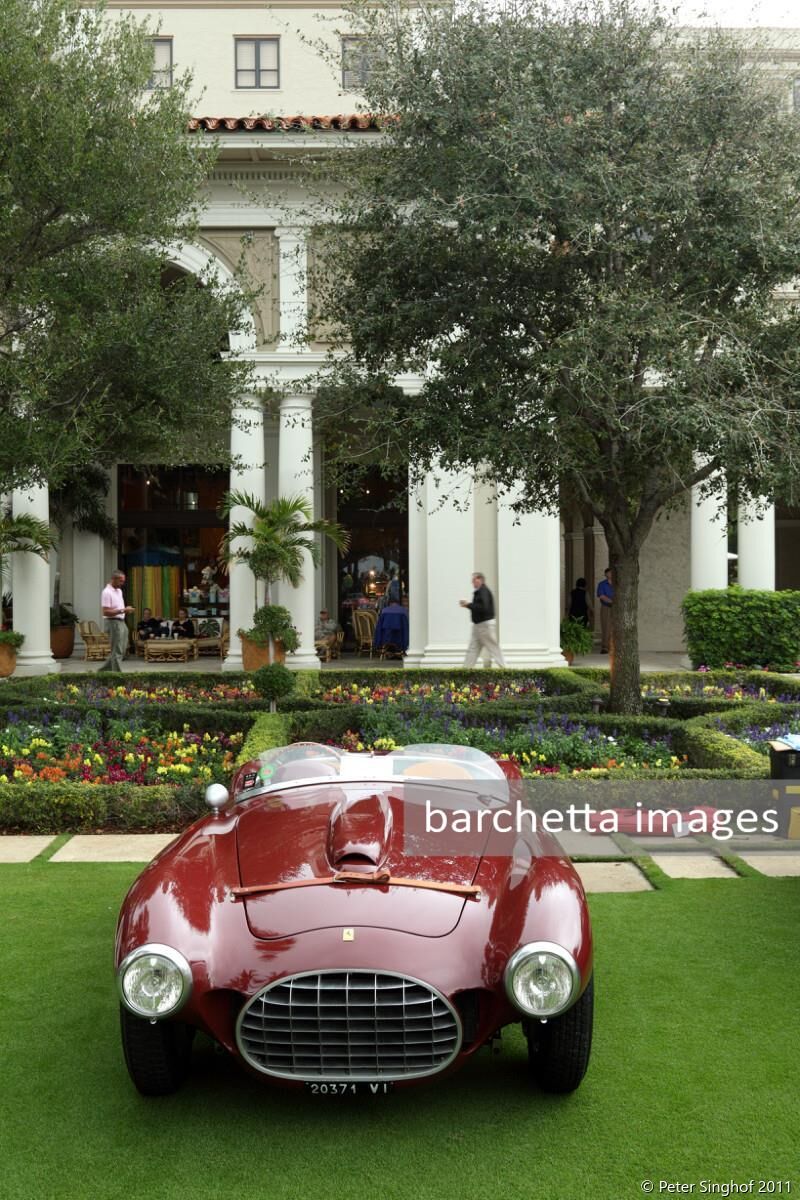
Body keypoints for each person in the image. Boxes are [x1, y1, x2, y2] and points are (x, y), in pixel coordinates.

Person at [460, 572, 506, 668]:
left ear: (479, 579)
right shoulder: (480, 591)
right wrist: (469, 605)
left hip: (485, 625)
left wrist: (468, 605)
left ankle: (505, 669)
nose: (472, 583)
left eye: (474, 581)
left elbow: (483, 607)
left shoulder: (483, 591)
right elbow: (480, 606)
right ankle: (464, 671)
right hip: (478, 626)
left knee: (493, 648)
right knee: (472, 649)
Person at [98, 569, 133, 672]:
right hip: (113, 622)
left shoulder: (119, 591)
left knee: (123, 647)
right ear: (114, 579)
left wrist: (125, 610)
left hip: (121, 621)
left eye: (123, 581)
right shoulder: (106, 592)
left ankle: (103, 671)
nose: (122, 583)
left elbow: (117, 607)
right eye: (121, 581)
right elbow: (105, 612)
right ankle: (117, 675)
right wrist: (123, 610)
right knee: (117, 649)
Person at [596, 567, 614, 653]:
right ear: (606, 574)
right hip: (606, 607)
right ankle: (605, 647)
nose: (610, 574)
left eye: (611, 572)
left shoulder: (617, 583)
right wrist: (612, 601)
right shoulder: (602, 584)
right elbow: (601, 596)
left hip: (617, 608)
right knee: (606, 626)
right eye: (608, 573)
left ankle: (613, 646)